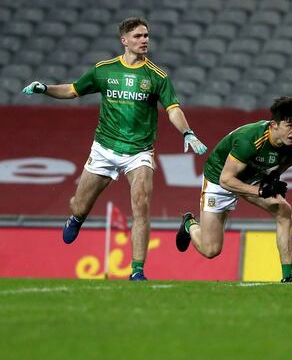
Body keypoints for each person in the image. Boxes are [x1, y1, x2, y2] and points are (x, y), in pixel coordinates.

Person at [21, 16, 207, 281]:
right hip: (104, 149)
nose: (144, 40)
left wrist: (187, 131)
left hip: (139, 151)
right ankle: (76, 218)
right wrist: (45, 89)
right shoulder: (104, 70)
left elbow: (173, 109)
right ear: (124, 41)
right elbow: (73, 90)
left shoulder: (157, 76)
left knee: (141, 205)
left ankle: (137, 271)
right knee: (80, 205)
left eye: (146, 36)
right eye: (138, 36)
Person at [175, 96, 292, 283]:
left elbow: (290, 160)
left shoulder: (291, 145)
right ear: (274, 125)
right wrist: (261, 191)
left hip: (250, 177)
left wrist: (273, 176)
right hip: (219, 180)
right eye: (290, 125)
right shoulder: (250, 140)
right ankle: (190, 225)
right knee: (210, 250)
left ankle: (287, 277)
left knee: (284, 210)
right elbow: (226, 180)